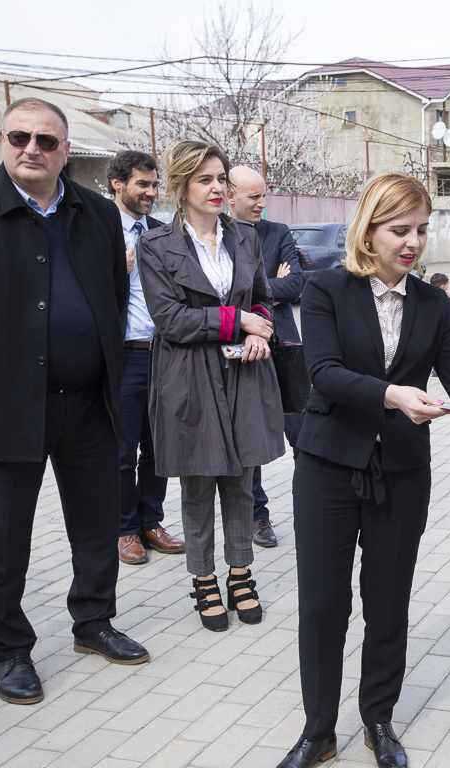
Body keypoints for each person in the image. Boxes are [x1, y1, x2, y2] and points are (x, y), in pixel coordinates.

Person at [0, 97, 150, 705]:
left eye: (46, 140)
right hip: (6, 411)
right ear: (3, 142)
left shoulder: (96, 213)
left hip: (89, 404)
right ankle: (10, 650)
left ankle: (93, 622)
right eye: (19, 137)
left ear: (66, 150)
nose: (31, 149)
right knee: (1, 540)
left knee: (96, 525)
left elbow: (114, 294)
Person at [281, 173, 450, 768]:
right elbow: (324, 373)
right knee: (323, 605)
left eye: (421, 230)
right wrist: (394, 395)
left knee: (388, 601)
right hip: (328, 465)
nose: (413, 243)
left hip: (401, 470)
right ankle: (319, 731)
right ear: (368, 230)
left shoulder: (432, 302)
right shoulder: (326, 288)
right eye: (400, 230)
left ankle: (378, 718)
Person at [138, 141, 286, 632]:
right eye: (205, 179)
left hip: (244, 371)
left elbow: (262, 298)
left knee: (242, 481)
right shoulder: (156, 245)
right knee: (199, 484)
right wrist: (237, 320)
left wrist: (259, 330)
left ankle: (240, 573)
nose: (218, 187)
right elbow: (170, 319)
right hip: (189, 375)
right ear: (182, 187)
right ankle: (204, 579)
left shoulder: (245, 237)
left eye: (221, 178)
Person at [106, 150, 186, 566]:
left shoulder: (159, 232)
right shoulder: (97, 229)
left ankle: (151, 522)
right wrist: (111, 272)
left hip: (164, 355)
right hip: (124, 356)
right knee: (123, 451)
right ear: (118, 184)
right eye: (143, 184)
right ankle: (124, 529)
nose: (152, 192)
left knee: (159, 448)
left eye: (155, 185)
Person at [226, 166, 304, 549]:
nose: (261, 203)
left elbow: (296, 283)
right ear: (231, 196)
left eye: (263, 195)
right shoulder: (220, 236)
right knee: (251, 435)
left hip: (284, 346)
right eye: (254, 196)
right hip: (242, 349)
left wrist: (256, 290)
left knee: (303, 431)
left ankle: (312, 504)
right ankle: (258, 516)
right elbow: (223, 296)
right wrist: (267, 288)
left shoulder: (278, 232)